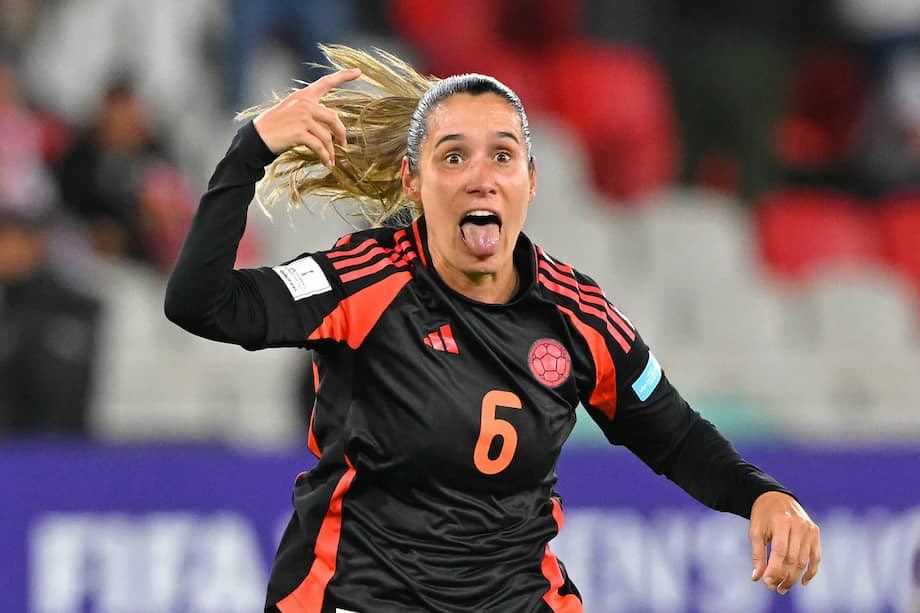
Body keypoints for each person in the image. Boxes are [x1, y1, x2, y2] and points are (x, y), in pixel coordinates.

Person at [165, 45, 821, 613]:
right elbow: (202, 301)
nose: (480, 176)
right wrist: (249, 152)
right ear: (413, 182)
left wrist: (763, 496)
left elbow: (674, 434)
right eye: (452, 158)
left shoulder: (576, 314)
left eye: (502, 156)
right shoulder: (364, 281)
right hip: (358, 596)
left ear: (530, 182)